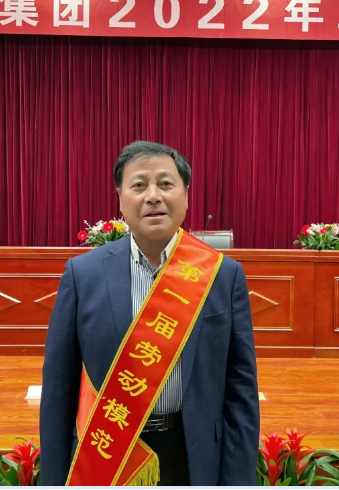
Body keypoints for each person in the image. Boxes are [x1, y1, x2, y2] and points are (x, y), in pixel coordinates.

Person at [40, 141, 260, 486]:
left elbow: (241, 390)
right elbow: (58, 390)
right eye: (139, 185)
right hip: (109, 454)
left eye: (166, 183)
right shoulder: (83, 275)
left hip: (196, 456)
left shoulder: (223, 275)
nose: (153, 196)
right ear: (120, 198)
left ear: (186, 194)